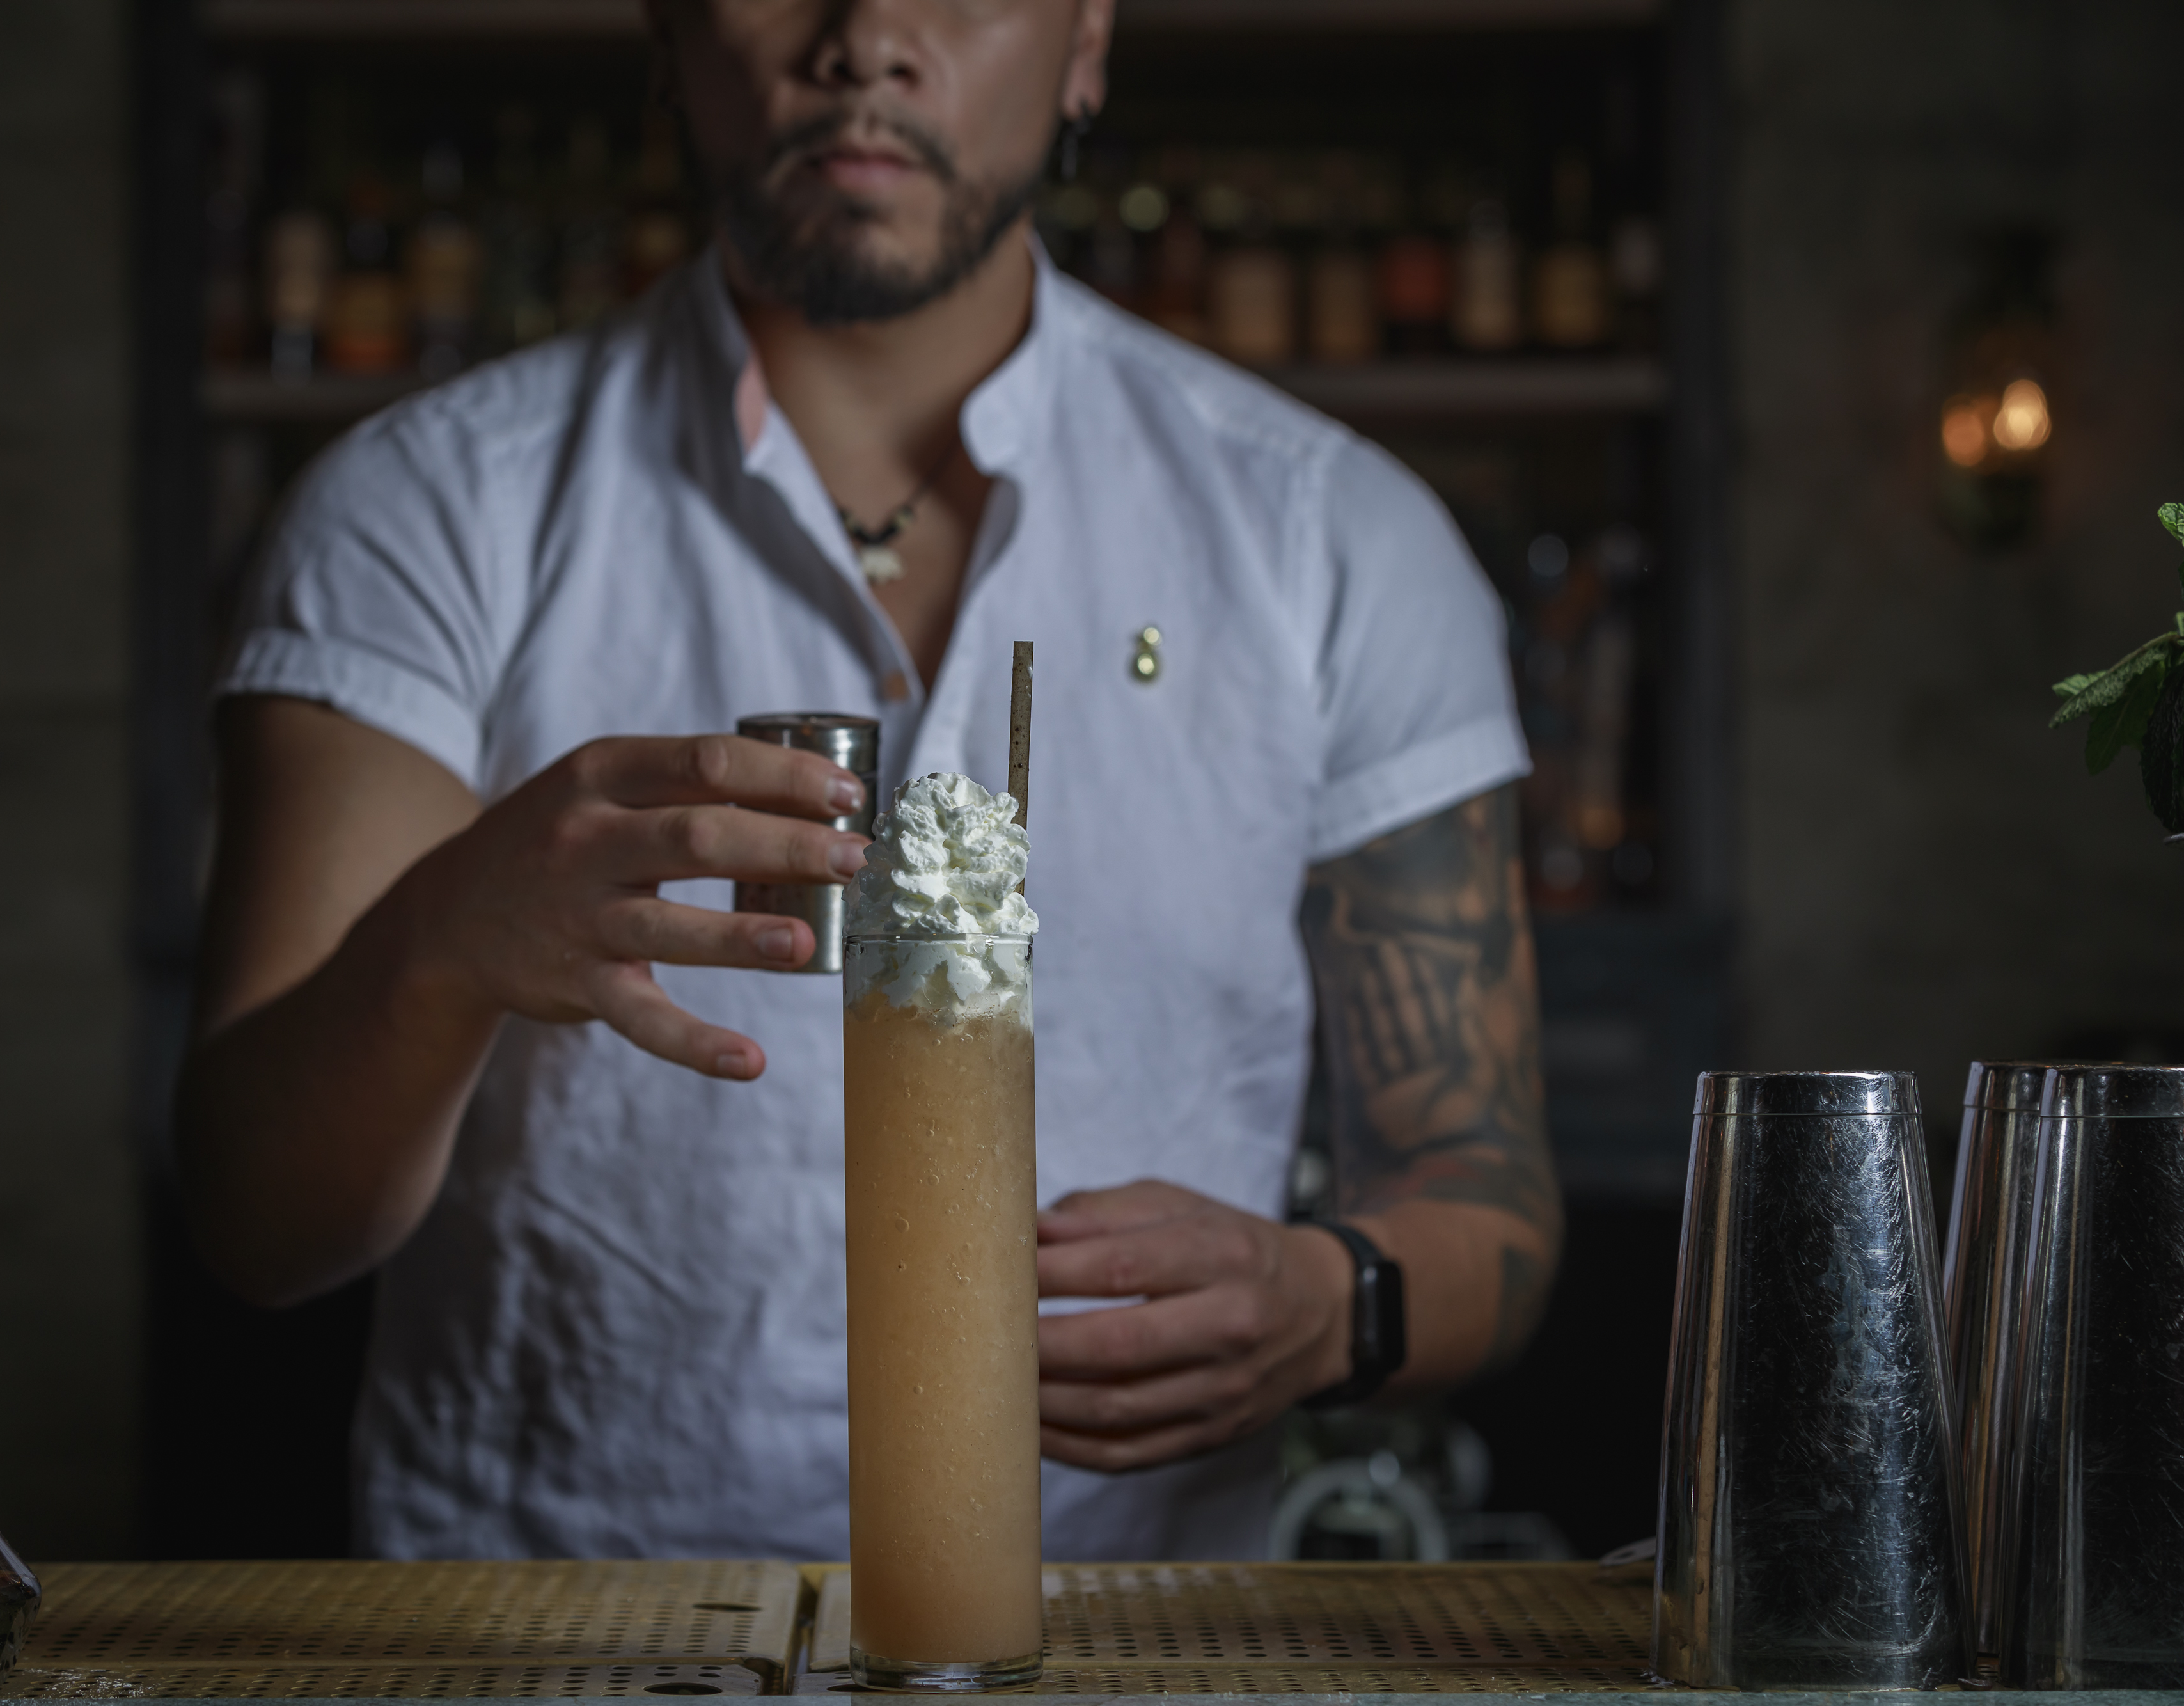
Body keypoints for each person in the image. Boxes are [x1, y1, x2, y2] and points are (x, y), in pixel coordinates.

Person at [179, 0, 1560, 1561]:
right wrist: (438, 941)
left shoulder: (1333, 538)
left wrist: (1329, 1299)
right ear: (665, 35)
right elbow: (258, 1224)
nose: (868, 38)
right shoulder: (421, 510)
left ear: (1085, 43)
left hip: (1132, 1637)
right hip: (556, 1634)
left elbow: (1485, 1188)